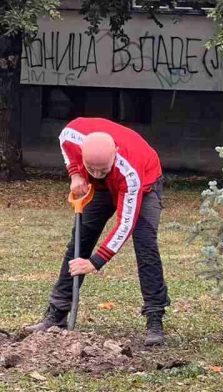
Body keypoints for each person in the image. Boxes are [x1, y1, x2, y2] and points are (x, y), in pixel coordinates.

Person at [26, 117, 169, 346]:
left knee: (145, 246)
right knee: (79, 242)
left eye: (102, 169)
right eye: (92, 168)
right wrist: (76, 173)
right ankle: (57, 314)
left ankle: (154, 318)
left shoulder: (130, 173)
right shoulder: (72, 136)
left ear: (115, 154)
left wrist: (95, 262)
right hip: (102, 190)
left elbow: (125, 224)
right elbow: (65, 144)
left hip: (146, 185)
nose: (97, 172)